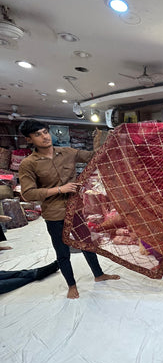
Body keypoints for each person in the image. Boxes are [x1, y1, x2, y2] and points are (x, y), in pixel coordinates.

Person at [18, 120, 120, 299]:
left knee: (87, 243)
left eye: (45, 132)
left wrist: (105, 141)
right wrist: (59, 189)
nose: (44, 137)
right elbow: (28, 193)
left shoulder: (67, 152)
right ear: (29, 139)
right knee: (62, 251)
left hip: (76, 209)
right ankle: (71, 285)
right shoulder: (29, 164)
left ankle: (98, 275)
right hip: (54, 213)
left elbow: (94, 157)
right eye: (38, 135)